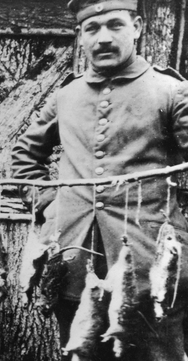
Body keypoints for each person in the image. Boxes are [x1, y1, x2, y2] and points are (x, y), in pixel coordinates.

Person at [11, 1, 188, 360]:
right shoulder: (66, 96)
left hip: (149, 266)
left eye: (115, 25)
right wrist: (49, 204)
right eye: (92, 29)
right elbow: (25, 156)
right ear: (80, 37)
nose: (103, 38)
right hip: (75, 262)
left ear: (137, 27)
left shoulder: (170, 91)